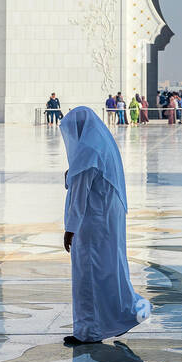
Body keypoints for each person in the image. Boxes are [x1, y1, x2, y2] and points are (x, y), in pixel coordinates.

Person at [59, 107, 151, 344]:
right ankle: (123, 315)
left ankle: (88, 331)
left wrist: (70, 228)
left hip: (93, 220)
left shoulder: (87, 150)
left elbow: (79, 194)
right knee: (108, 268)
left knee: (88, 273)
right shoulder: (100, 142)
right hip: (108, 215)